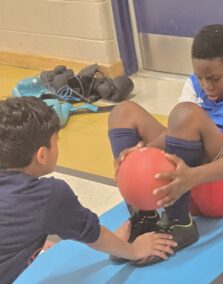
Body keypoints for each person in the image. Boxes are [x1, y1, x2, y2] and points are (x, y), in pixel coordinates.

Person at [108, 24, 223, 265]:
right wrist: (137, 156)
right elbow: (174, 135)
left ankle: (180, 223)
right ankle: (144, 218)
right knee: (124, 112)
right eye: (200, 77)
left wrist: (192, 177)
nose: (206, 85)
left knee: (186, 114)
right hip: (187, 181)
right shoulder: (196, 83)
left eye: (214, 78)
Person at [0, 97, 176, 284]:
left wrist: (30, 238)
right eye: (57, 141)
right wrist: (133, 250)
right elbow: (95, 236)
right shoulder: (48, 197)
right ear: (42, 155)